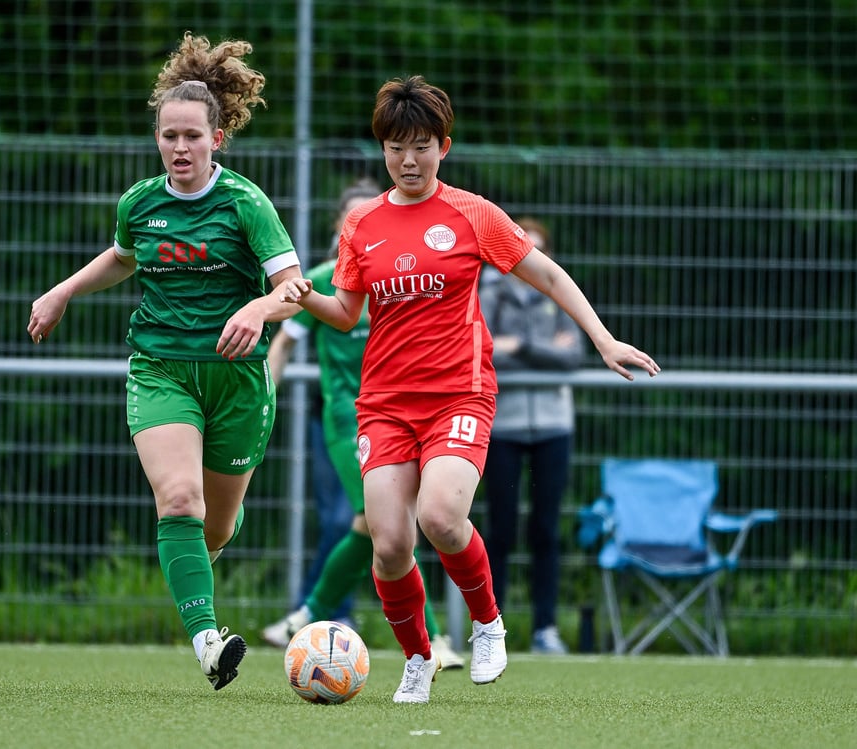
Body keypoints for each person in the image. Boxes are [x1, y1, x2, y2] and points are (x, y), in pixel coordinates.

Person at [277, 75, 659, 704]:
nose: (408, 159)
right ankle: (419, 659)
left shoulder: (472, 214)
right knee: (390, 540)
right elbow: (347, 313)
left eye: (421, 145)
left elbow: (549, 276)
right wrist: (305, 297)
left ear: (443, 148)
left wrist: (603, 339)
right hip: (384, 404)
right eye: (397, 146)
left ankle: (488, 623)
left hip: (460, 392)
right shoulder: (362, 226)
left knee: (440, 517)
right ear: (382, 150)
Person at [26, 32, 303, 692]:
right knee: (177, 498)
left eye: (192, 137)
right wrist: (63, 290)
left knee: (216, 524)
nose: (180, 148)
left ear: (217, 140)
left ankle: (191, 584)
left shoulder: (244, 202)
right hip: (162, 368)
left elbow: (295, 286)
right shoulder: (140, 202)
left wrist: (256, 310)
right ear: (157, 138)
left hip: (238, 379)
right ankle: (209, 639)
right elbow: (125, 256)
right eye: (169, 135)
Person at [261, 178, 465, 670]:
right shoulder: (328, 277)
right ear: (340, 227)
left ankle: (306, 614)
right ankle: (433, 641)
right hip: (347, 419)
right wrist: (263, 397)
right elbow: (286, 338)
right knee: (383, 526)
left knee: (377, 525)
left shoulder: (403, 275)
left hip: (404, 414)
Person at [478, 217, 584, 655]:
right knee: (499, 531)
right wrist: (544, 351)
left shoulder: (558, 295)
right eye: (524, 246)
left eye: (539, 248)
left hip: (554, 427)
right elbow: (482, 352)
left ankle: (545, 628)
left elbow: (573, 357)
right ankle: (492, 626)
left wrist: (519, 347)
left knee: (545, 530)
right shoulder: (489, 291)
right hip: (503, 426)